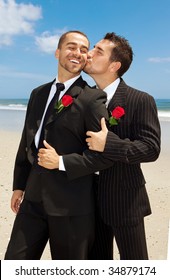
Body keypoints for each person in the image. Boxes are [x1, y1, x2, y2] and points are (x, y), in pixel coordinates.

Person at [4, 30, 114, 260]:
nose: (78, 53)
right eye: (72, 47)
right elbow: (27, 141)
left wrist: (61, 162)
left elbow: (103, 157)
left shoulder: (92, 99)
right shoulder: (38, 93)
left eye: (84, 50)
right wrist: (19, 185)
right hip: (32, 201)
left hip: (71, 208)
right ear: (57, 52)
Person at [50, 32, 161, 259]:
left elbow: (151, 148)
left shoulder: (140, 99)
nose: (88, 54)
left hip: (125, 202)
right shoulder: (84, 98)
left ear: (114, 65)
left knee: (136, 266)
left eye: (98, 51)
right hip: (87, 203)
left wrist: (108, 143)